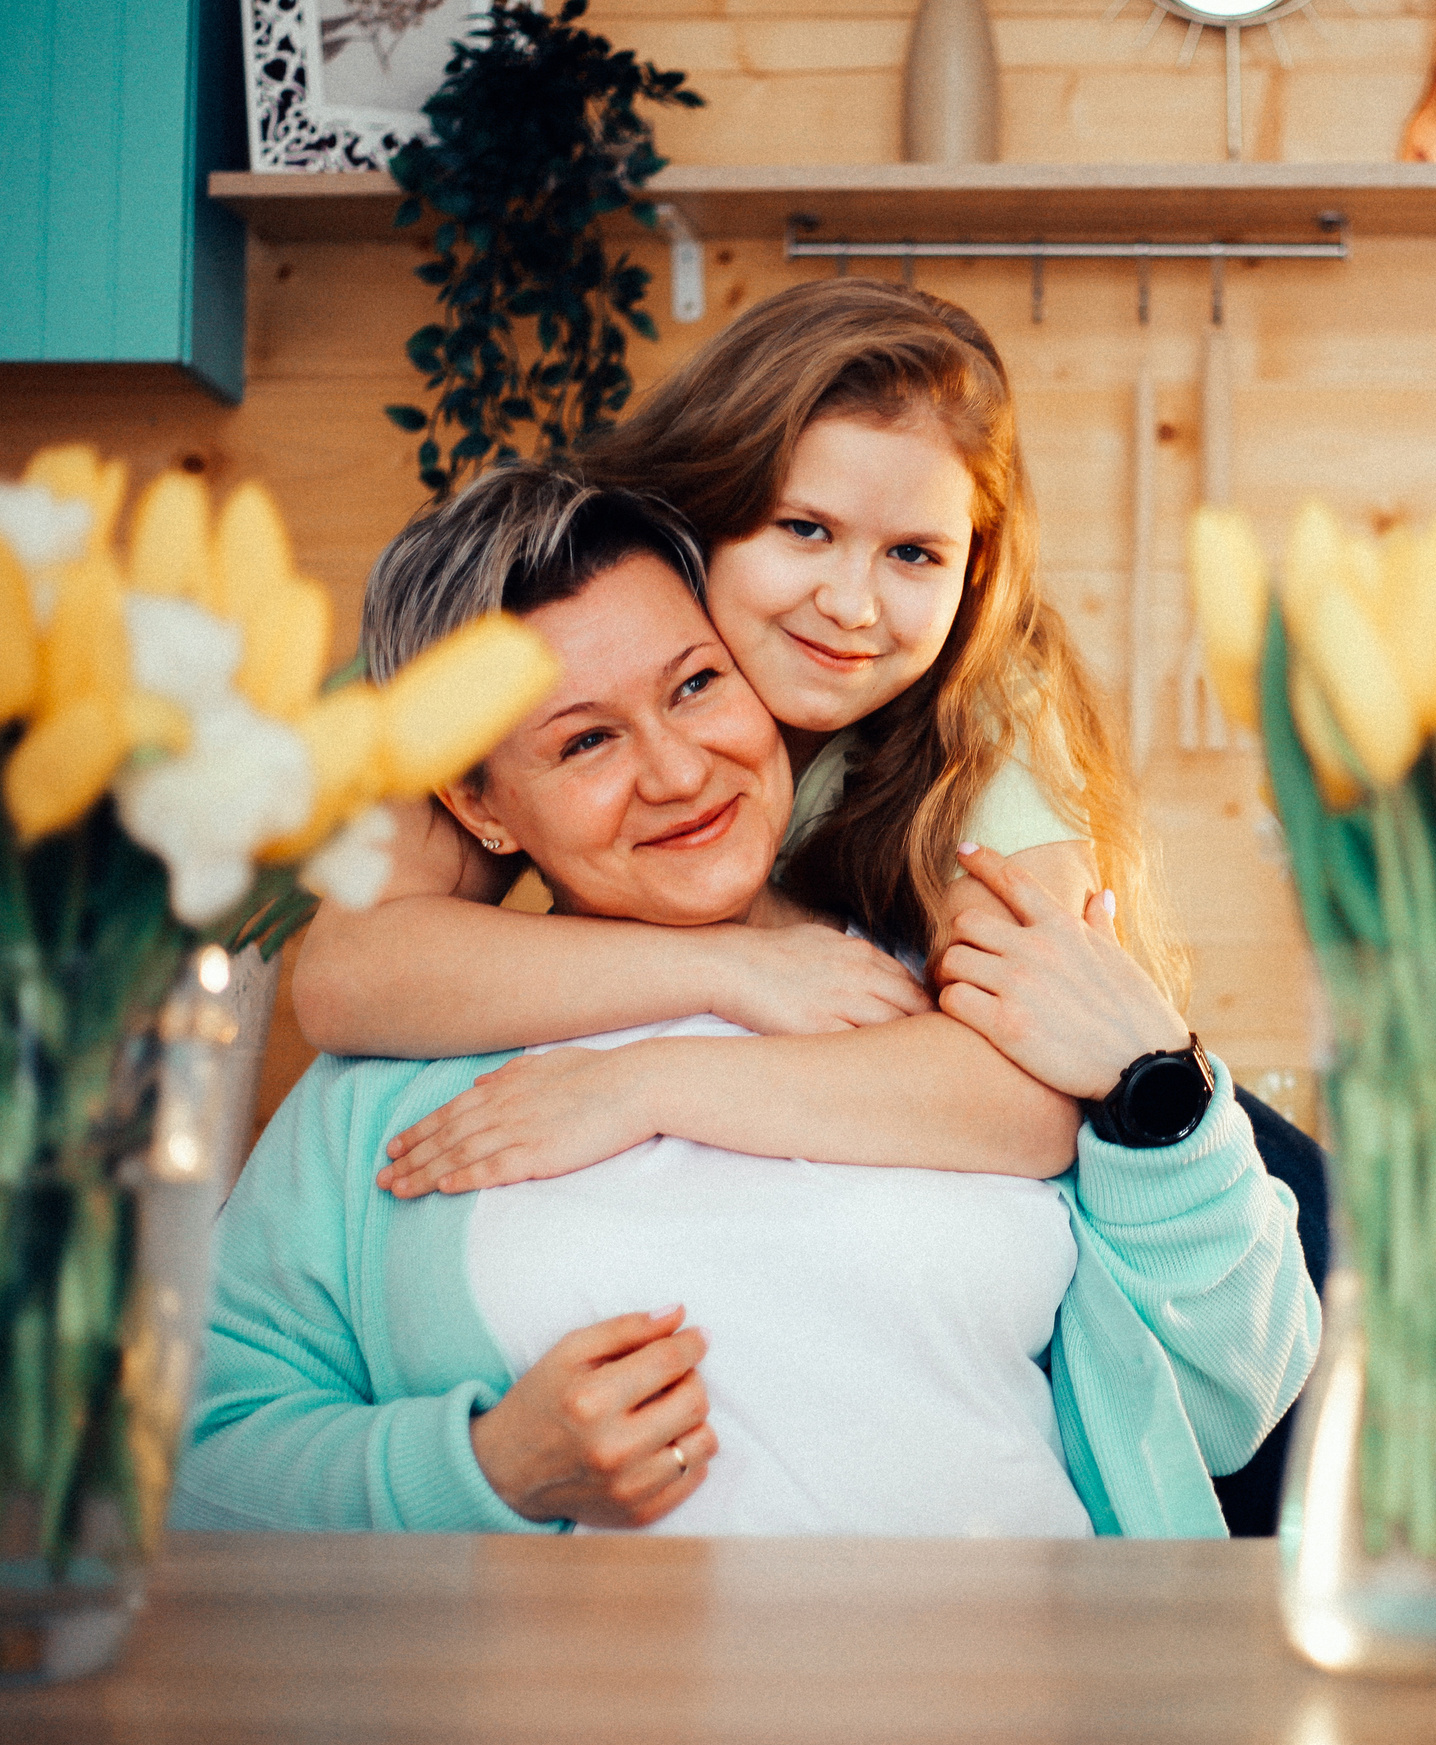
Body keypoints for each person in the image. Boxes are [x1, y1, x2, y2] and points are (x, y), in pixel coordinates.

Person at [172, 469, 1318, 1538]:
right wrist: (486, 1465)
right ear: (480, 801)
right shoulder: (399, 1075)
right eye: (584, 741)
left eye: (696, 683)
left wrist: (1158, 1096)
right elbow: (191, 1453)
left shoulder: (963, 992)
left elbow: (1233, 1386)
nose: (677, 772)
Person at [290, 282, 1171, 1159]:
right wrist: (730, 969)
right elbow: (348, 971)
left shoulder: (986, 709)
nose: (853, 606)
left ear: (972, 575)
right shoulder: (600, 594)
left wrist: (648, 1083)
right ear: (706, 510)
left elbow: (1033, 1090)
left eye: (913, 554)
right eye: (804, 529)